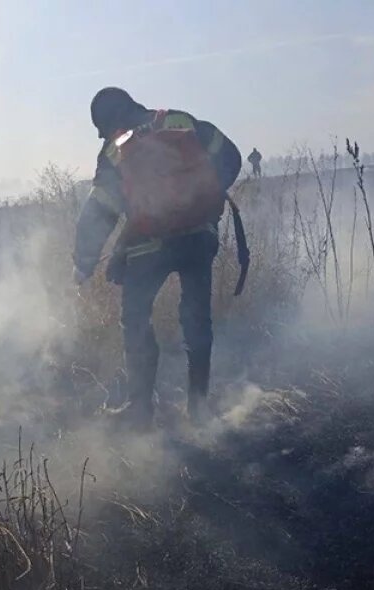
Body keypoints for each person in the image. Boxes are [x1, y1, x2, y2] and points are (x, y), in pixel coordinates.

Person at [72, 87, 242, 431]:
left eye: (101, 128)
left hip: (148, 248)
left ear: (109, 120)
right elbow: (232, 157)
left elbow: (100, 211)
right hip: (198, 238)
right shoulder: (180, 121)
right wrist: (205, 196)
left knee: (135, 323)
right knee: (197, 322)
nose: (102, 135)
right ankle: (198, 409)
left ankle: (140, 412)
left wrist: (83, 262)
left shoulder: (116, 149)